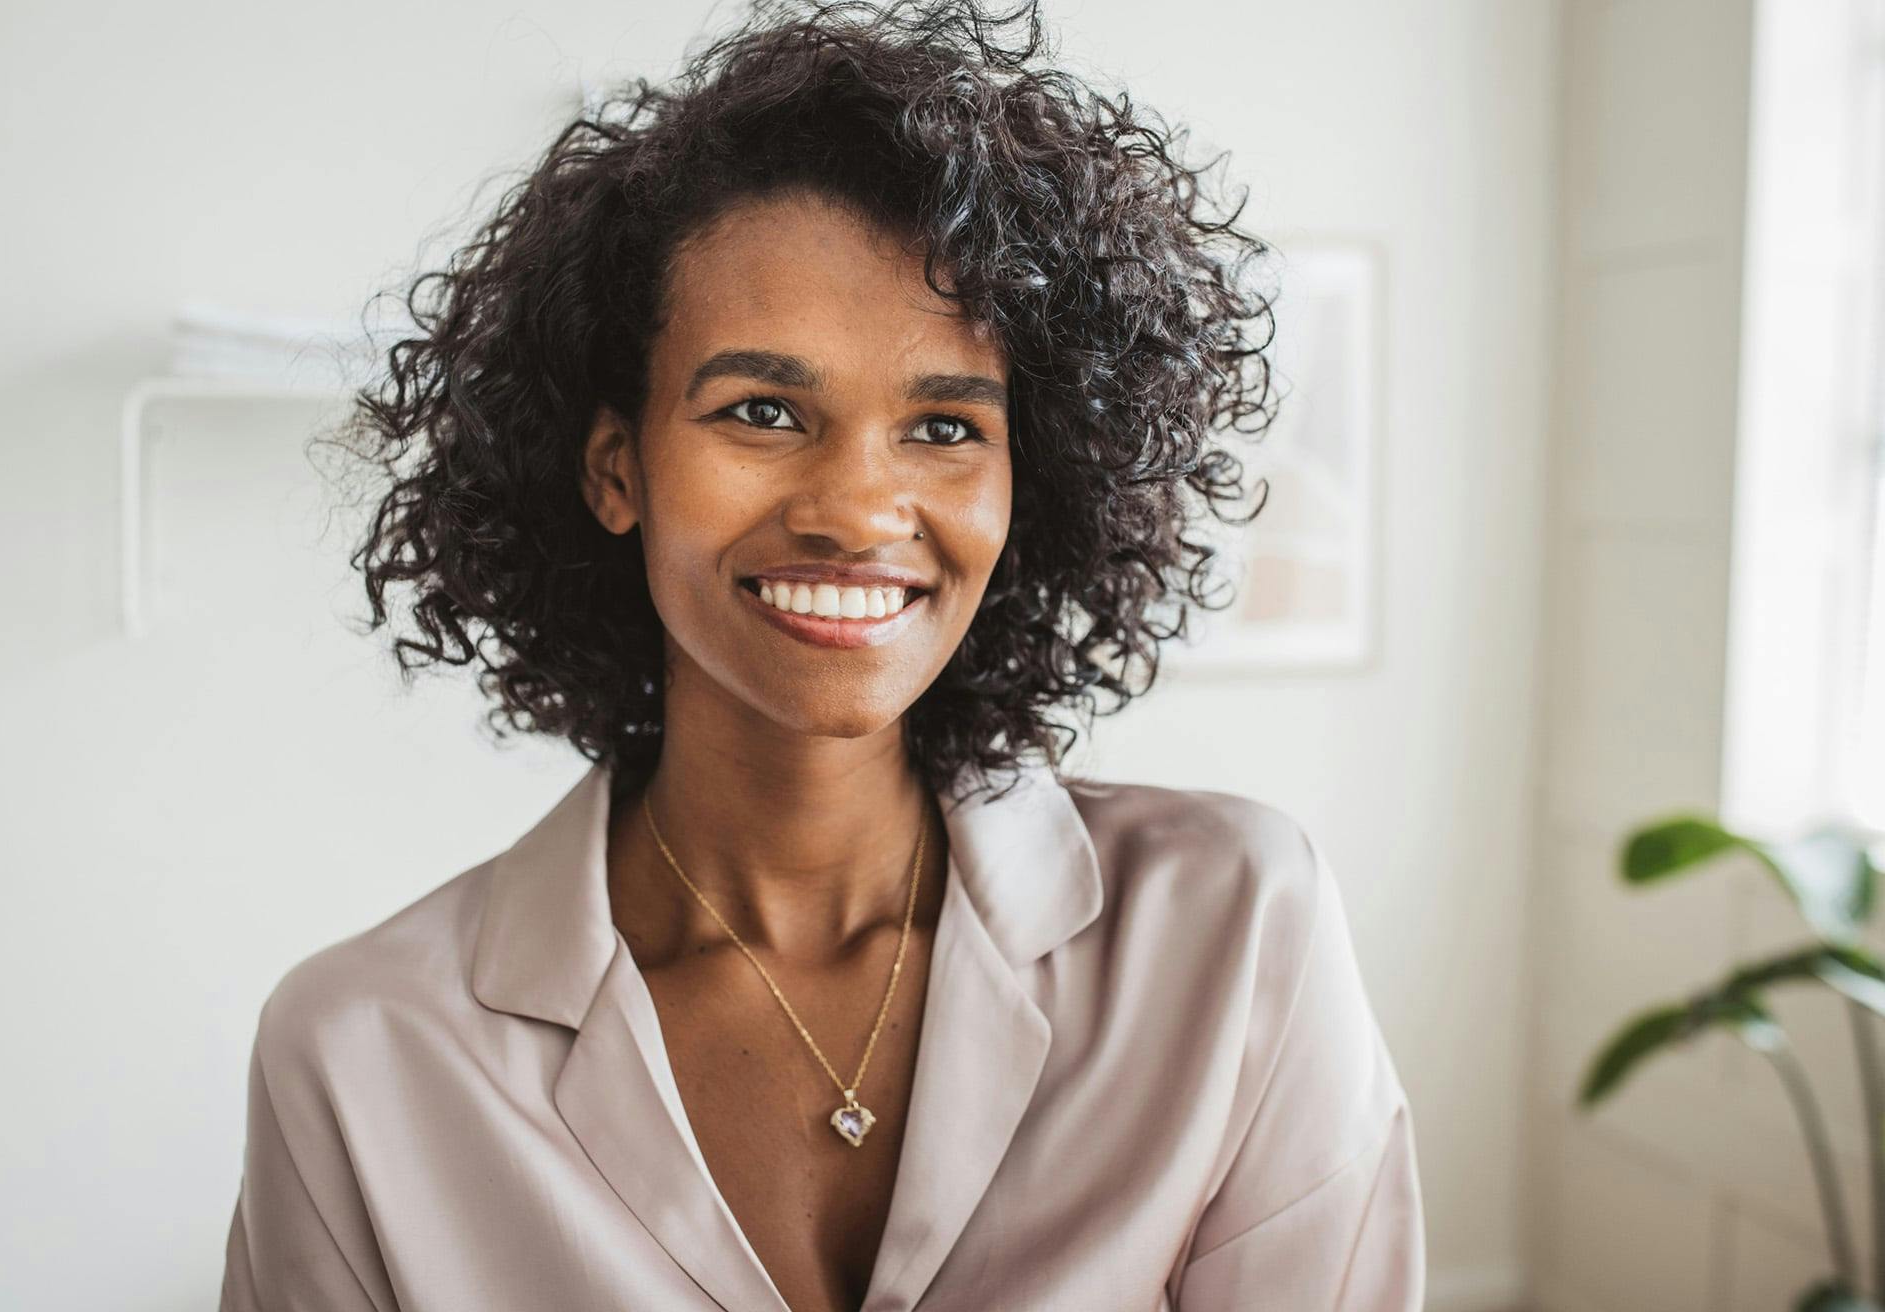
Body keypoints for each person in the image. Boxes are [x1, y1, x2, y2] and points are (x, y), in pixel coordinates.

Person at [218, 0, 1426, 1307]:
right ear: (616, 463)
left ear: (1036, 476)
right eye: (763, 410)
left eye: (945, 428)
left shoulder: (1236, 932)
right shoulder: (364, 1054)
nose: (855, 511)